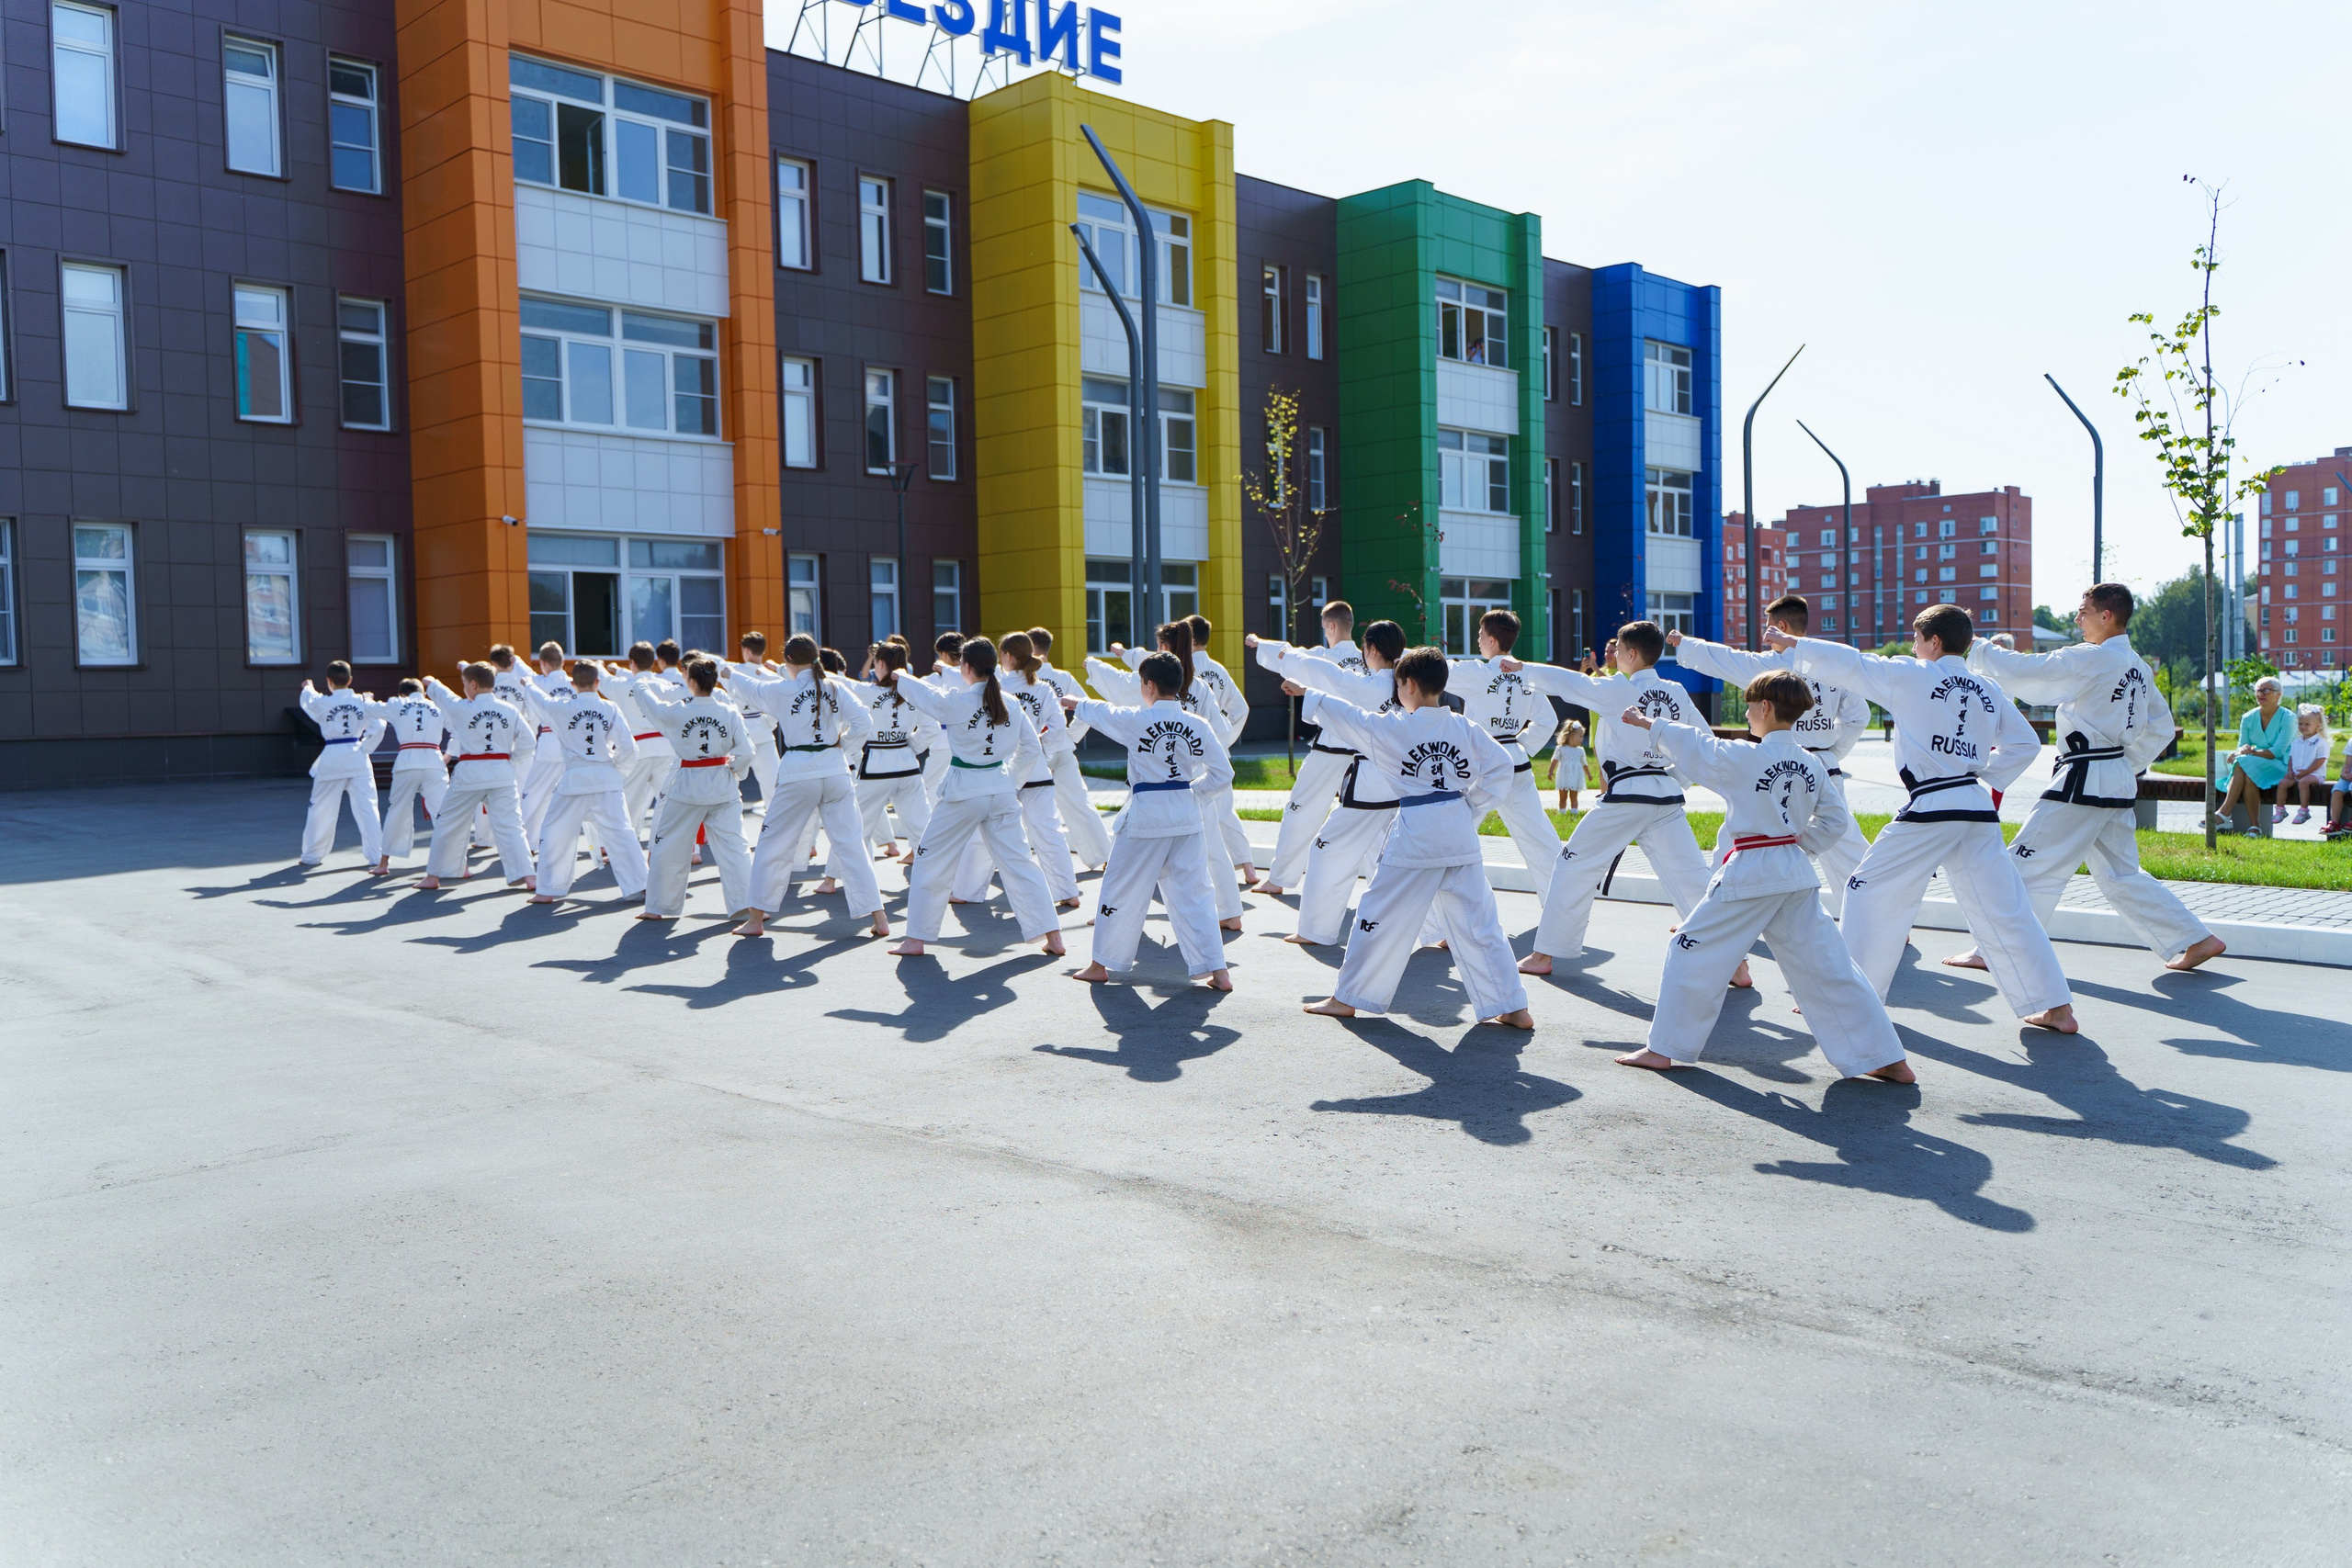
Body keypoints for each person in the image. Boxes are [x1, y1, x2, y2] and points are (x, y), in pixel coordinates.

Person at [1768, 604, 2077, 1032]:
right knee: (2006, 909)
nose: (1913, 647)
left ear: (1933, 642)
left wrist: (1797, 645)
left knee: (1864, 888)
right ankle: (2056, 1007)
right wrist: (1982, 771)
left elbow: (1856, 664)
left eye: (1916, 639)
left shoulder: (1914, 675)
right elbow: (2025, 744)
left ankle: (1851, 999)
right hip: (1974, 806)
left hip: (1933, 806)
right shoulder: (1986, 687)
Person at [1611, 673, 1914, 1082]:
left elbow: (1696, 746)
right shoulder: (1811, 762)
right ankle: (1885, 1057)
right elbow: (1836, 821)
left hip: (1750, 872)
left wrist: (1650, 724)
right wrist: (1796, 845)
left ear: (1766, 708)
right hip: (1795, 873)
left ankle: (1663, 1049)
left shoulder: (1741, 756)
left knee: (1688, 949)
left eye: (1751, 705)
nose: (1749, 712)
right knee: (1831, 967)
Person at [1948, 583, 2224, 973]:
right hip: (2113, 778)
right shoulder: (2138, 667)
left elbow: (2028, 670)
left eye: (2083, 611)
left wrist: (1975, 647)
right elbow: (2161, 728)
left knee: (2025, 863)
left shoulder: (2094, 658)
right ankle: (2195, 938)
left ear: (2105, 616)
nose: (2078, 620)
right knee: (2122, 874)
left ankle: (1995, 950)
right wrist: (2124, 764)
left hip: (2081, 780)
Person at [1291, 648, 1532, 1028]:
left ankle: (1347, 997)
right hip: (1458, 829)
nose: (1397, 690)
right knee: (1481, 922)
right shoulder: (1464, 726)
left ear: (1411, 685)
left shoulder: (1395, 727)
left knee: (1375, 913)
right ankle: (1512, 1005)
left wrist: (1311, 696)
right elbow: (1502, 766)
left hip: (1416, 833)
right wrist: (1473, 806)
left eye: (1399, 684)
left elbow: (1354, 719)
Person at [1500, 623, 1713, 976]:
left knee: (1572, 866)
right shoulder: (1676, 691)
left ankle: (1544, 956)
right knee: (1692, 878)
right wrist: (1676, 779)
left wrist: (1526, 669)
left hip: (1625, 798)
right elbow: (1703, 745)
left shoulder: (1619, 689)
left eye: (1618, 652)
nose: (1613, 656)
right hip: (1664, 797)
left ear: (1631, 654)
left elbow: (1573, 684)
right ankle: (1735, 961)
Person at [1667, 595, 1874, 917]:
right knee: (1846, 843)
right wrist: (1832, 752)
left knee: (1735, 838)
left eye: (1768, 628)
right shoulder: (1830, 664)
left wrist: (1685, 644)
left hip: (1773, 764)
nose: (1765, 635)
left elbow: (1725, 659)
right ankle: (1873, 919)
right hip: (1822, 766)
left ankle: (1708, 915)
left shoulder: (1769, 666)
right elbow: (1859, 716)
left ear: (1781, 627)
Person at [1062, 650, 1237, 991]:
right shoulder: (1197, 724)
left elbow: (1106, 712)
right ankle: (1219, 971)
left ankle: (1101, 965)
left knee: (1120, 887)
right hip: (1186, 815)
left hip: (1145, 815)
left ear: (1150, 686)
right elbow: (1223, 773)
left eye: (1142, 682)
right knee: (1197, 894)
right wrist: (1194, 794)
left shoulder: (1137, 719)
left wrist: (1076, 704)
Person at [887, 637, 1066, 959]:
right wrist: (1011, 779)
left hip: (964, 791)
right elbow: (1032, 748)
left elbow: (929, 697)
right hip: (999, 789)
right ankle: (1053, 936)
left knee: (930, 859)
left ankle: (916, 939)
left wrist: (902, 676)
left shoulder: (959, 702)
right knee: (1020, 862)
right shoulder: (1010, 702)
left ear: (966, 668)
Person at [1245, 621, 1411, 946]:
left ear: (1371, 650)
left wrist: (1288, 668)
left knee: (1327, 853)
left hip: (1368, 790)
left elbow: (1320, 670)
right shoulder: (1407, 686)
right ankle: (1431, 930)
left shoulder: (1370, 687)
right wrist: (1309, 691)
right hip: (1401, 786)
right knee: (1392, 858)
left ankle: (1315, 931)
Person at [723, 636, 888, 940]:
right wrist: (843, 745)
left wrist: (727, 672)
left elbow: (750, 688)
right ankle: (879, 917)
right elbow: (864, 722)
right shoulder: (836, 687)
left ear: (788, 661)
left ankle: (756, 919)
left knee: (773, 844)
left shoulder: (783, 690)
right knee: (852, 844)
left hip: (799, 772)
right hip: (836, 769)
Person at [1091, 620, 1247, 931]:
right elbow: (1223, 730)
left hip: (1154, 779)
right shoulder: (1200, 686)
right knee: (1212, 844)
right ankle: (1231, 911)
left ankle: (1115, 913)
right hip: (1195, 778)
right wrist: (1203, 750)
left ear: (1163, 648)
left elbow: (1119, 689)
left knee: (1133, 851)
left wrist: (1093, 666)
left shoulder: (1152, 686)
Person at [1118, 614, 1259, 887]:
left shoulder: (1162, 678)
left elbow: (1121, 690)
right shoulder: (1215, 671)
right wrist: (1216, 746)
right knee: (1221, 822)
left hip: (1183, 767)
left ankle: (1135, 896)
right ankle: (1246, 871)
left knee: (1200, 831)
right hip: (1209, 759)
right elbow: (1239, 710)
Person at [951, 632, 1082, 911]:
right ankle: (1068, 891)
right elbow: (1058, 729)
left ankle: (967, 890)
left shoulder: (995, 688)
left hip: (1001, 771)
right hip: (1036, 770)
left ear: (1007, 657)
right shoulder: (1044, 688)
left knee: (984, 832)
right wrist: (1040, 748)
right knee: (1049, 832)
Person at [624, 657, 757, 923]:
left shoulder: (678, 711)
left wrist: (640, 683)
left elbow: (653, 707)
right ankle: (748, 905)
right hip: (723, 784)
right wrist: (735, 770)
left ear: (691, 681)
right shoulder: (728, 711)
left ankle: (659, 907)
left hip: (686, 785)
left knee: (669, 845)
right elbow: (747, 751)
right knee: (735, 847)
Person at [1446, 609, 1565, 899]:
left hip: (1484, 764)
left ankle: (1455, 915)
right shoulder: (1526, 674)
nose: (1477, 640)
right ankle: (1561, 908)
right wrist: (1521, 744)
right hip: (1517, 761)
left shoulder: (1478, 672)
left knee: (1456, 835)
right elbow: (1548, 721)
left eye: (1479, 634)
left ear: (1490, 639)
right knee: (1539, 838)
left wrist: (1396, 653)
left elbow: (1433, 667)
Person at [1256, 599, 1366, 897]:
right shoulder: (1368, 658)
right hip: (1367, 749)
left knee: (1300, 810)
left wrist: (1258, 644)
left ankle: (1279, 878)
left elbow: (1289, 655)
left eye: (1323, 627)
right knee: (1371, 816)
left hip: (1332, 746)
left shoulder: (1322, 658)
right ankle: (1388, 885)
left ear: (1331, 626)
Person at [522, 661, 647, 906]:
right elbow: (629, 748)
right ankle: (642, 886)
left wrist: (528, 684)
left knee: (554, 831)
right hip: (606, 777)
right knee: (621, 833)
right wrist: (616, 772)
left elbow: (540, 698)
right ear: (598, 682)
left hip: (575, 779)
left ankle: (548, 889)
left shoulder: (561, 707)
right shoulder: (609, 708)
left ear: (572, 684)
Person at [417, 663, 536, 891]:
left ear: (473, 684)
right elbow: (529, 742)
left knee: (448, 822)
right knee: (512, 826)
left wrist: (431, 681)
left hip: (470, 774)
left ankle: (433, 877)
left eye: (464, 684)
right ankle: (530, 877)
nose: (463, 689)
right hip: (501, 772)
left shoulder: (461, 708)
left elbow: (442, 694)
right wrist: (511, 761)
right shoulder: (510, 710)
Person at [1028, 626, 1114, 872]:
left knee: (1018, 806)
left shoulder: (1021, 678)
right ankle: (1103, 855)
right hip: (1062, 747)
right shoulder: (1063, 678)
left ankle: (1017, 860)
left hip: (1032, 751)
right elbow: (1086, 710)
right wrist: (1069, 737)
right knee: (1078, 803)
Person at [848, 641, 942, 859]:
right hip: (907, 767)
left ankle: (832, 878)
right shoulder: (914, 692)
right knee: (921, 827)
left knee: (857, 827)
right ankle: (940, 877)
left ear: (879, 663)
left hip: (876, 769)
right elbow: (932, 729)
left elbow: (840, 683)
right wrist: (910, 747)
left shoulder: (865, 692)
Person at [296, 661, 387, 869]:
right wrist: (366, 747)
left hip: (332, 758)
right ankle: (376, 856)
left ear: (329, 682)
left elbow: (308, 700)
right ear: (350, 680)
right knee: (368, 808)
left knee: (321, 809)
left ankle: (311, 856)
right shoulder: (363, 701)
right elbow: (380, 724)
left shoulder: (323, 703)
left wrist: (308, 686)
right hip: (358, 756)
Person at [375, 677, 450, 874]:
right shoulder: (438, 707)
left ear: (402, 693)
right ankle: (458, 862)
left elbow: (373, 710)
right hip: (435, 761)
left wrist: (365, 700)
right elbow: (458, 730)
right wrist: (448, 755)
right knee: (444, 812)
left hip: (407, 762)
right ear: (423, 693)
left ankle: (383, 864)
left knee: (397, 810)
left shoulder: (398, 703)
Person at [609, 642, 676, 838]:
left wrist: (606, 667)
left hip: (638, 750)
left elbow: (603, 678)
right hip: (666, 749)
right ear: (653, 662)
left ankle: (627, 850)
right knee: (670, 801)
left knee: (629, 803)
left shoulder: (621, 685)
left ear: (632, 662)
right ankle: (689, 850)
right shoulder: (664, 685)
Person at [516, 641, 579, 844]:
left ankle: (529, 842)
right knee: (573, 796)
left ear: (543, 663)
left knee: (533, 793)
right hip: (573, 745)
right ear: (562, 661)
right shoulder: (574, 683)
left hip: (549, 743)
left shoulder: (539, 684)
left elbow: (533, 716)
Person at [2211, 676, 2292, 830]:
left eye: (2266, 690)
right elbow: (2242, 746)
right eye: (2258, 691)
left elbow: (2277, 752)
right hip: (2254, 764)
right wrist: (2239, 752)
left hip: (2281, 766)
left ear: (2278, 694)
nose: (2261, 694)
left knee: (2243, 763)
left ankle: (2225, 812)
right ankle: (2254, 827)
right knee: (2247, 774)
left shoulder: (2289, 718)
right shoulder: (2248, 717)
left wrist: (2249, 753)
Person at [728, 630, 784, 809]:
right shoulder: (773, 676)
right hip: (763, 730)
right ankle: (777, 828)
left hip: (739, 733)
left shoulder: (734, 671)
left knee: (729, 785)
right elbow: (779, 705)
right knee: (773, 787)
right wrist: (770, 722)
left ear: (746, 650)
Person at [2287, 705, 2329, 825]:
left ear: (2318, 725)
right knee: (2283, 783)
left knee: (2303, 782)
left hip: (2316, 774)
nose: (2303, 727)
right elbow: (2291, 758)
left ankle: (2304, 810)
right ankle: (2280, 810)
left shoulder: (2320, 742)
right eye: (2301, 724)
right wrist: (2289, 771)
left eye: (2307, 724)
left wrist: (2305, 772)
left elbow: (2320, 761)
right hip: (2298, 773)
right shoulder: (2297, 742)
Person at [1551, 717, 1588, 811]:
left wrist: (1588, 774)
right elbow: (1555, 760)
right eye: (1580, 736)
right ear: (1572, 737)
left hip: (1575, 776)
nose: (1582, 739)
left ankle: (1574, 812)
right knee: (1563, 796)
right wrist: (1550, 771)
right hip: (1564, 776)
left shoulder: (1580, 750)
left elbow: (1584, 763)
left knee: (1574, 796)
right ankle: (1562, 811)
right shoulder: (1561, 749)